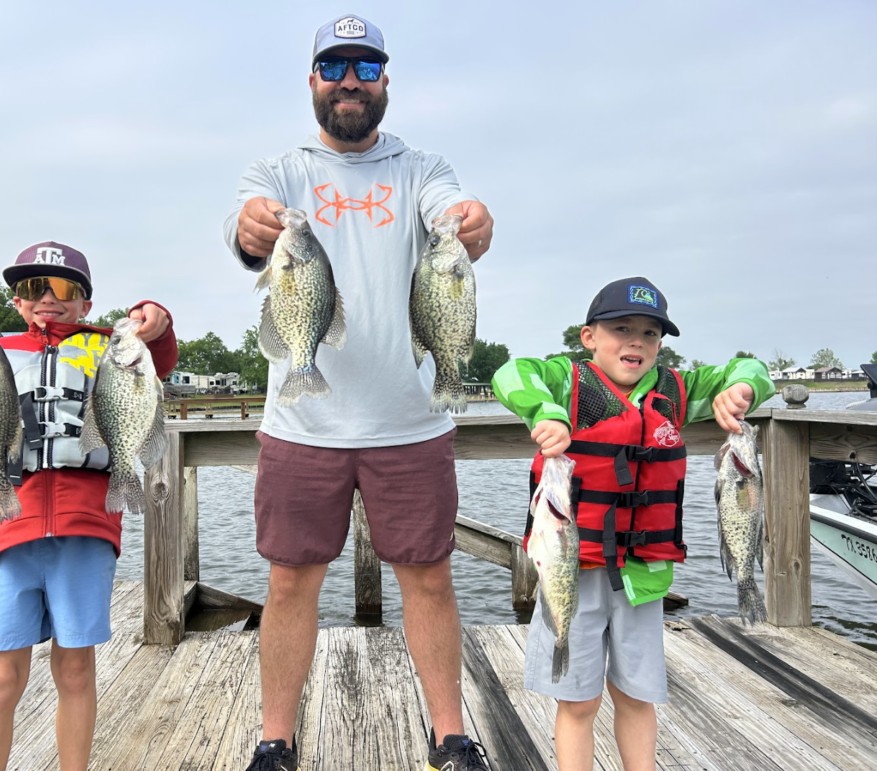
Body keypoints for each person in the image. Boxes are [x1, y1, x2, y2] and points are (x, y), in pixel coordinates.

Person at [223, 13, 495, 771]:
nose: (350, 80)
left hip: (409, 420)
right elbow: (246, 230)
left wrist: (473, 223)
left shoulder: (421, 166)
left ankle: (451, 733)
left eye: (366, 67)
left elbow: (457, 217)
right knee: (289, 582)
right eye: (336, 67)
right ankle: (275, 738)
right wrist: (252, 228)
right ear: (313, 81)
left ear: (385, 82)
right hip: (301, 423)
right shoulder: (278, 171)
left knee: (430, 578)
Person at [491, 277, 775, 771]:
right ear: (589, 337)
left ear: (661, 345)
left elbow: (748, 368)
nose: (636, 341)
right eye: (621, 328)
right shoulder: (566, 381)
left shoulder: (678, 391)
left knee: (637, 696)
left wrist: (744, 386)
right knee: (577, 702)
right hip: (571, 571)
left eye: (650, 333)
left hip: (643, 575)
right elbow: (512, 374)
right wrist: (547, 413)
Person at [0, 241, 178, 771]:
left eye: (64, 289)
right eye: (31, 288)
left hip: (86, 525)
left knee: (77, 669)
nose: (47, 299)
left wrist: (158, 322)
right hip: (6, 526)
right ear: (16, 301)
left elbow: (159, 359)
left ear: (86, 303)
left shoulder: (107, 347)